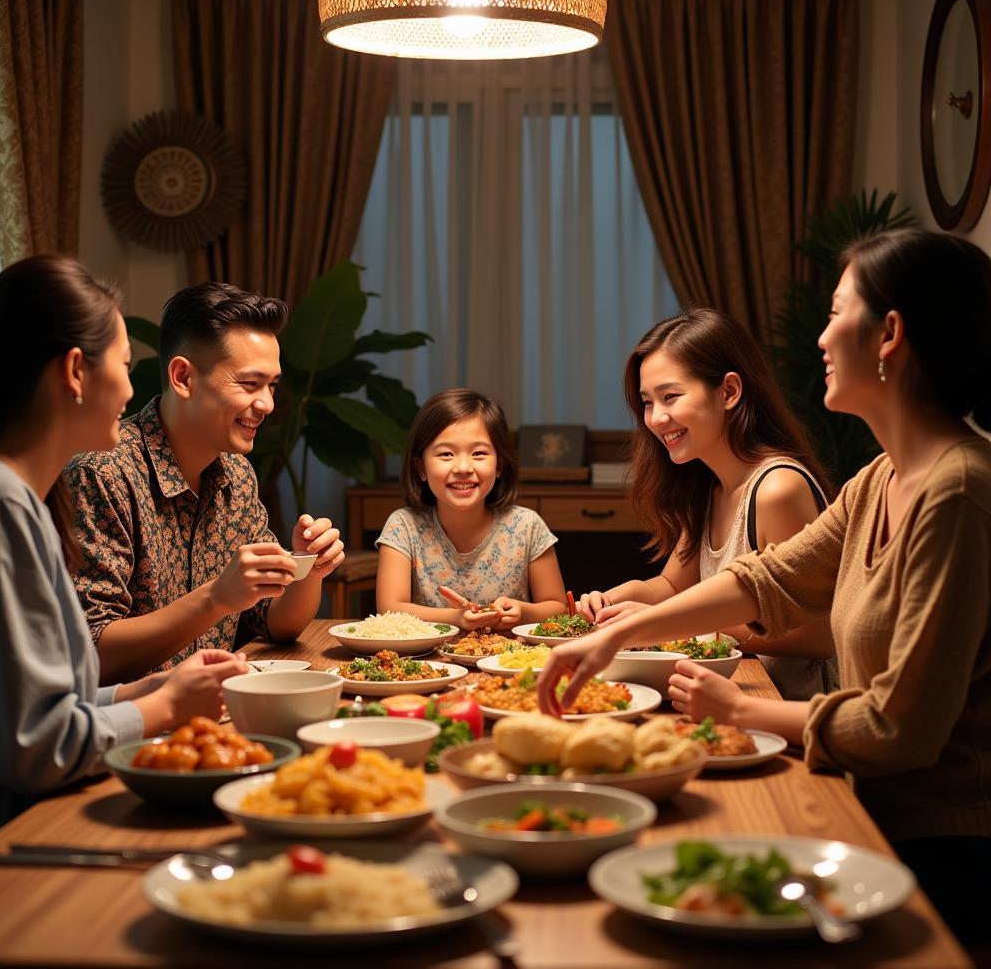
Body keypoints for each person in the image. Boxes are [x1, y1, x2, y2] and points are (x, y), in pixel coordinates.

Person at [538, 230, 991, 941]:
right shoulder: (880, 479)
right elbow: (766, 578)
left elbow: (897, 731)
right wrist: (618, 633)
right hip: (861, 802)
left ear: (890, 334)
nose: (819, 337)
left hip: (940, 845)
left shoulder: (958, 491)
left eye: (837, 311)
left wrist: (738, 711)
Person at [0, 255, 250, 844]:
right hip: (8, 836)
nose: (129, 385)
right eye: (124, 365)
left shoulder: (22, 495)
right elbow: (33, 746)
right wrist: (164, 708)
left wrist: (137, 692)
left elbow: (43, 697)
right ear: (76, 371)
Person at [66, 282, 345, 683]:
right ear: (183, 377)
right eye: (250, 384)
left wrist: (309, 571)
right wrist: (217, 597)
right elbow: (89, 650)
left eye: (272, 386)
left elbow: (272, 622)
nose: (267, 404)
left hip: (218, 710)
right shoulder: (104, 472)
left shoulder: (236, 473)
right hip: (129, 726)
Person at [578, 308, 836, 700]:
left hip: (788, 705)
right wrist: (615, 600)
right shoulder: (708, 485)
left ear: (730, 391)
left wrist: (666, 624)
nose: (656, 418)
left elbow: (819, 636)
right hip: (723, 693)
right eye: (648, 402)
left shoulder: (777, 488)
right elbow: (669, 586)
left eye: (671, 396)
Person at [376, 388, 567, 630]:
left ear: (500, 464)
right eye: (446, 454)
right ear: (420, 468)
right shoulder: (403, 526)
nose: (464, 467)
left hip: (510, 660)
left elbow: (557, 606)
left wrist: (522, 612)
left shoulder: (527, 525)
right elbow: (390, 608)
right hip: (428, 660)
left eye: (479, 453)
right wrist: (458, 619)